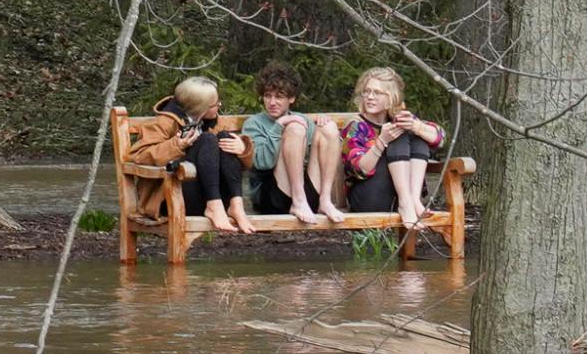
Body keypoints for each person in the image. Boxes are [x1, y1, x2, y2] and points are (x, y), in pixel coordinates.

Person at [140, 75, 257, 234]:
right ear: (201, 107)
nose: (220, 105)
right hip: (172, 197)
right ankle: (214, 206)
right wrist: (177, 145)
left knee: (225, 138)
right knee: (208, 139)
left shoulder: (213, 122)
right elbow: (140, 156)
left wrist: (243, 150)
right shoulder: (164, 122)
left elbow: (238, 167)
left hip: (210, 195)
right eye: (216, 103)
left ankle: (236, 205)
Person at [238, 62, 347, 225]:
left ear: (291, 98)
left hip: (306, 196)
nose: (272, 102)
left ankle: (325, 201)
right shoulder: (254, 124)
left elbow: (324, 156)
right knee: (295, 127)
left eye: (279, 96)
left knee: (328, 127)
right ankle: (298, 201)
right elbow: (262, 163)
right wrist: (279, 126)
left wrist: (321, 127)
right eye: (268, 96)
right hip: (272, 198)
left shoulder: (301, 119)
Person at [341, 66, 446, 229]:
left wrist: (416, 126)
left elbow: (439, 139)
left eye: (377, 93)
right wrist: (382, 140)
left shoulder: (398, 120)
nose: (370, 97)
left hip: (394, 197)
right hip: (368, 197)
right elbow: (358, 170)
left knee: (415, 135)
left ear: (391, 98)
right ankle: (407, 202)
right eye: (366, 92)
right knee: (399, 135)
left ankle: (413, 200)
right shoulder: (356, 125)